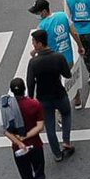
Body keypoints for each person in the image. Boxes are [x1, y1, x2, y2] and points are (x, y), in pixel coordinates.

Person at [25, 29, 75, 160]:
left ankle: (57, 154)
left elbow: (30, 83)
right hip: (59, 93)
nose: (33, 45)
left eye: (34, 43)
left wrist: (31, 98)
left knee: (50, 126)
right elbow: (67, 74)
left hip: (43, 98)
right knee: (66, 114)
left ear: (40, 44)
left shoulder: (33, 62)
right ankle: (66, 141)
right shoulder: (58, 57)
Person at [1, 77, 46, 179]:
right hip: (35, 145)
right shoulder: (34, 104)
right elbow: (40, 126)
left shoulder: (6, 107)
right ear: (25, 89)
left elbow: (5, 131)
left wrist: (19, 142)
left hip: (18, 149)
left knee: (26, 175)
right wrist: (26, 136)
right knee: (39, 172)